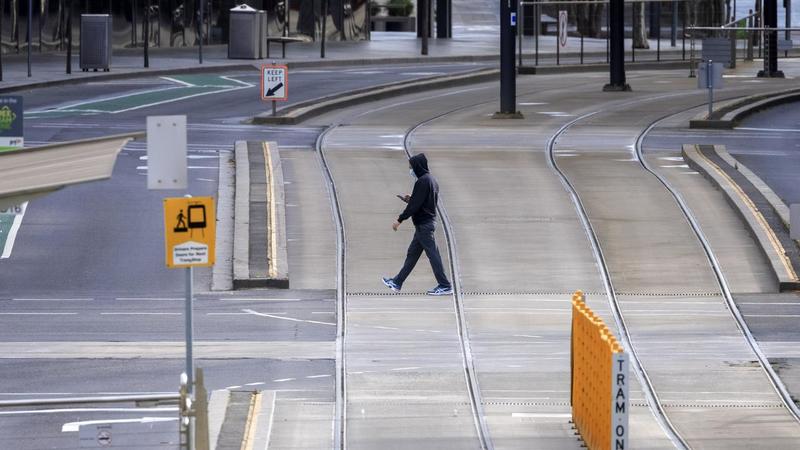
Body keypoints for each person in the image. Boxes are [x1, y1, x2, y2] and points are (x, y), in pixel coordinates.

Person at [382, 153, 453, 296]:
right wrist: (411, 200)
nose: (410, 169)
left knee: (433, 255)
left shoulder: (422, 182)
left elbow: (415, 206)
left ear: (417, 166)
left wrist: (399, 220)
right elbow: (423, 203)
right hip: (425, 224)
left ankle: (445, 285)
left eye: (411, 166)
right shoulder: (431, 180)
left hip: (424, 226)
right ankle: (397, 282)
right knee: (412, 254)